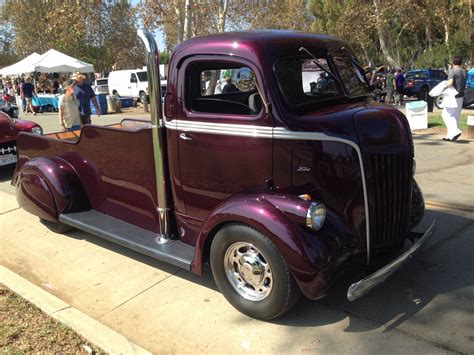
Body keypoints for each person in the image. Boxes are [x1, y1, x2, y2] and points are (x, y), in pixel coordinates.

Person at [441, 56, 467, 142]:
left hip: (453, 97)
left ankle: (455, 131)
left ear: (453, 63)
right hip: (461, 97)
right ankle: (450, 136)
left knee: (445, 115)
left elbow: (450, 83)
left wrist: (443, 87)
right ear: (461, 63)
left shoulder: (452, 71)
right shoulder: (464, 71)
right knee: (456, 116)